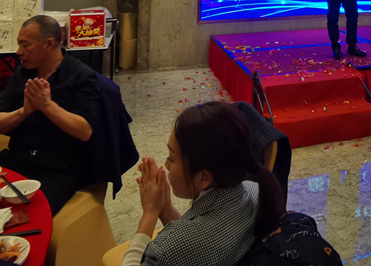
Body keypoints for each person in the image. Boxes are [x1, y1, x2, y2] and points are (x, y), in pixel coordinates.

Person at [121, 102, 285, 266]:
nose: (166, 165)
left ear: (204, 178)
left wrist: (150, 213)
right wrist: (165, 207)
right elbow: (191, 240)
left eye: (171, 158)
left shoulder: (165, 252)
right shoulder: (256, 192)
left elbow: (182, 246)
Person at [0, 15, 100, 215]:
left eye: (25, 45)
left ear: (49, 44)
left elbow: (85, 131)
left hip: (56, 170)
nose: (18, 51)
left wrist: (47, 106)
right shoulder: (22, 74)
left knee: (26, 216)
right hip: (16, 161)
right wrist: (24, 111)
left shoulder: (80, 76)